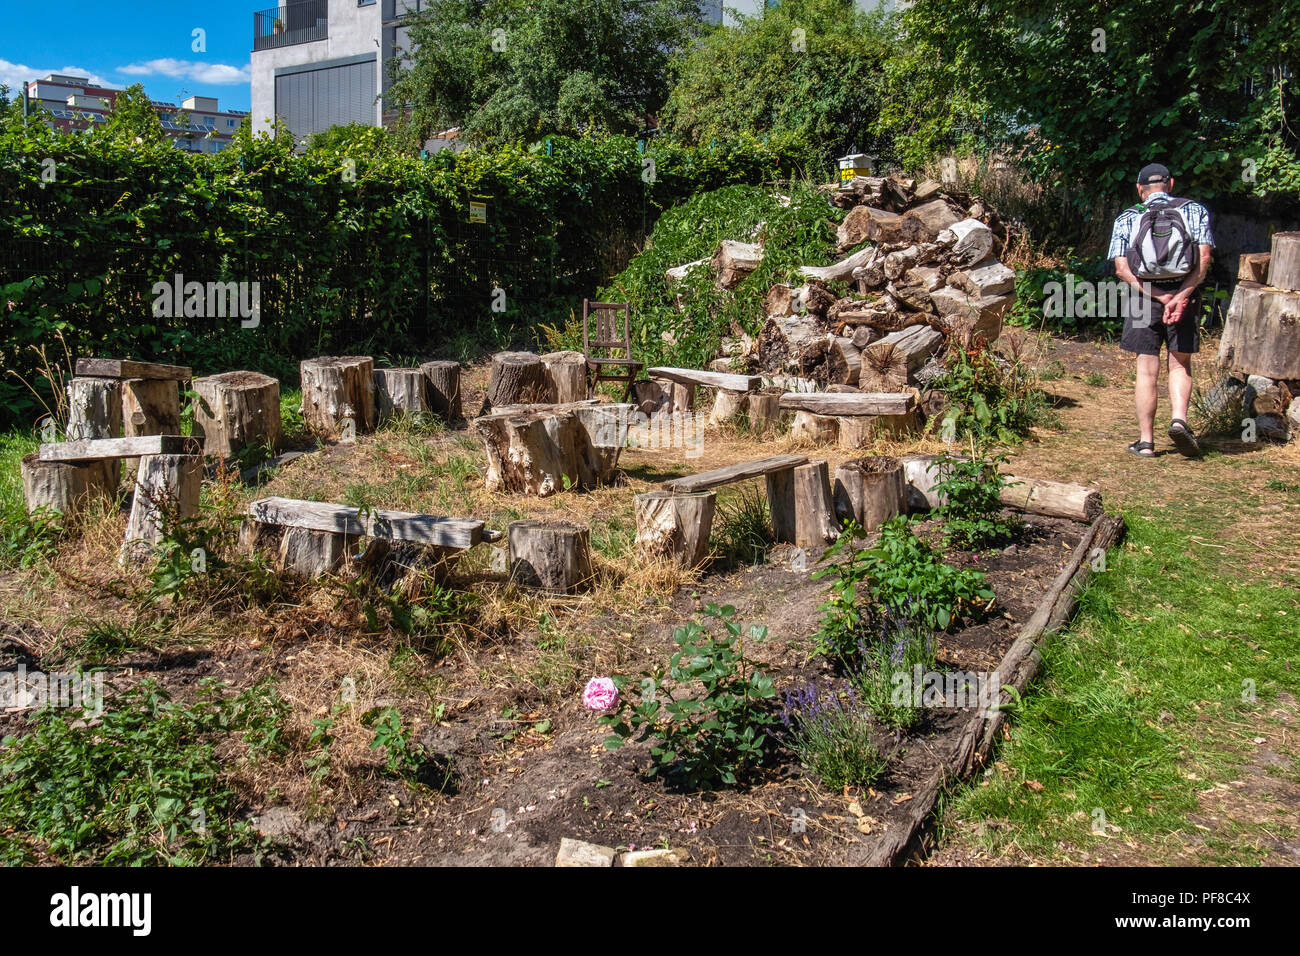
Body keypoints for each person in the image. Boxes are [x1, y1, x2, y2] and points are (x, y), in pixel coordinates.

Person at [1109, 163, 1214, 458]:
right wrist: (1180, 296)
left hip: (1145, 298)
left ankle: (1146, 443)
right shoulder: (1195, 210)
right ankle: (1179, 421)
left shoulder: (1128, 217)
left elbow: (1121, 269)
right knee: (1180, 363)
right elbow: (1204, 258)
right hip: (1185, 293)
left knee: (1146, 369)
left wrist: (1157, 295)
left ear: (1140, 189)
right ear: (1171, 184)